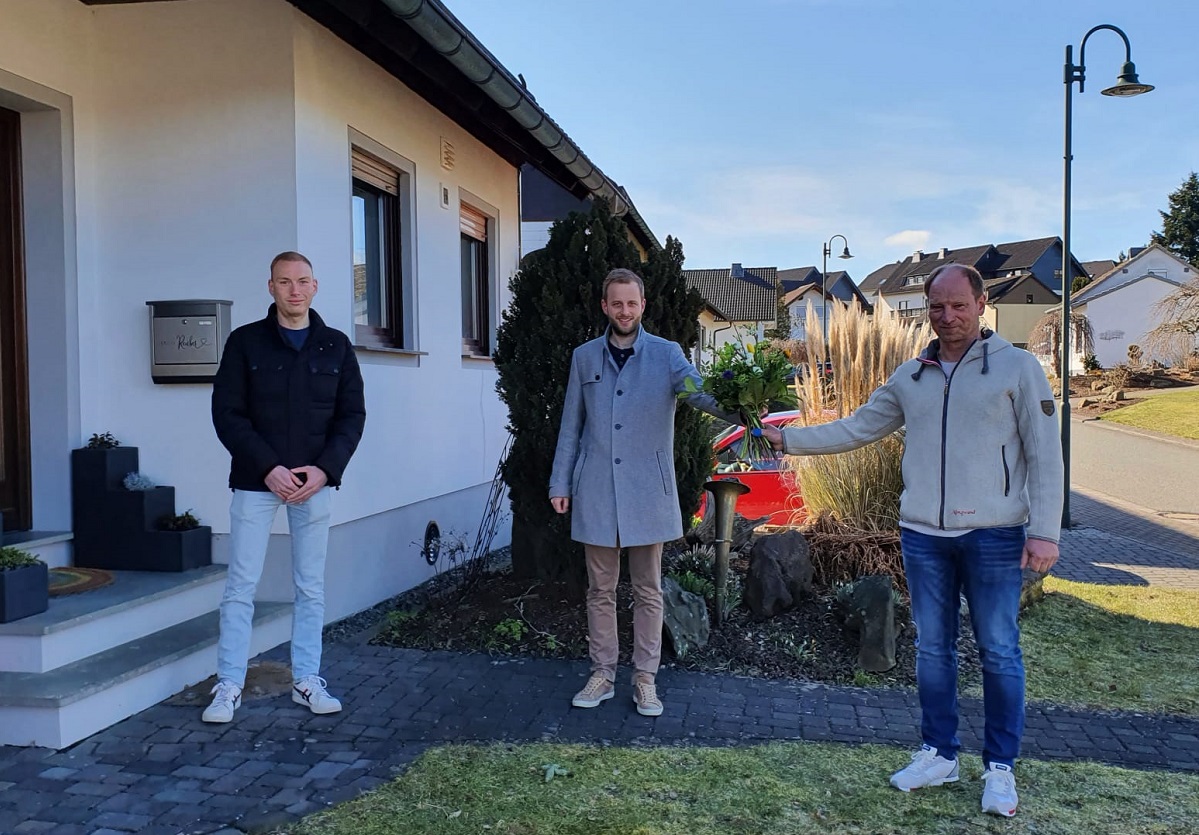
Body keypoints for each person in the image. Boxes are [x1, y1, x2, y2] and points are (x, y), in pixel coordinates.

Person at [761, 263, 1063, 817]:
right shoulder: (912, 376)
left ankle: (1000, 768)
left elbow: (1045, 455)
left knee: (999, 650)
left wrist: (1044, 531)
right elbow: (856, 427)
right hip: (924, 535)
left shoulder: (1017, 370)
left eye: (959, 306)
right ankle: (939, 754)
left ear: (981, 304)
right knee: (932, 650)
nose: (947, 317)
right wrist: (790, 438)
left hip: (995, 534)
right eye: (937, 307)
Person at [549, 268, 738, 717]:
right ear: (604, 307)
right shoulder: (584, 357)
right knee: (600, 589)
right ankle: (602, 674)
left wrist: (743, 404)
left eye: (631, 303)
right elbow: (570, 425)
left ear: (643, 306)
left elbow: (701, 395)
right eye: (617, 303)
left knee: (649, 590)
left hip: (647, 492)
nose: (625, 311)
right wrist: (560, 481)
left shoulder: (667, 355)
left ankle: (646, 679)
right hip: (595, 488)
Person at [205, 251, 366, 723]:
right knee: (240, 586)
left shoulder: (336, 346)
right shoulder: (244, 343)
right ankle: (230, 683)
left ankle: (306, 679)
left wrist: (324, 471)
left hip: (314, 485)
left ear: (315, 286)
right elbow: (227, 414)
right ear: (270, 287)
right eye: (284, 282)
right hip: (256, 482)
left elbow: (351, 417)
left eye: (302, 281)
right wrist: (268, 467)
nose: (294, 290)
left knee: (310, 588)